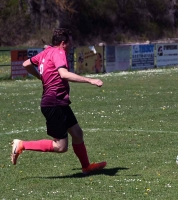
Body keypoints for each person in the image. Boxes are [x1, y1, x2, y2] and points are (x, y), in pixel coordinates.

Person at [11, 28, 107, 175]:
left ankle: (86, 166)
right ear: (63, 43)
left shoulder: (47, 52)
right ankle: (22, 145)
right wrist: (90, 80)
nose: (71, 46)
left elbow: (26, 64)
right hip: (54, 102)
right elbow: (64, 74)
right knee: (60, 146)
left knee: (77, 133)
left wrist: (40, 77)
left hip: (59, 101)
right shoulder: (58, 52)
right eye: (70, 43)